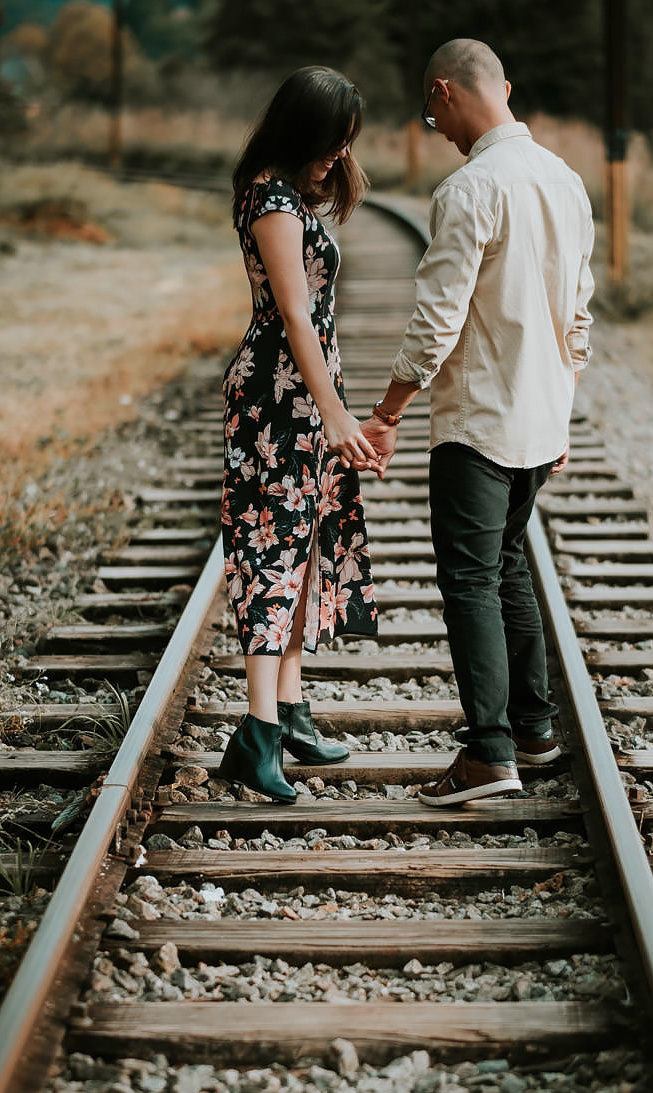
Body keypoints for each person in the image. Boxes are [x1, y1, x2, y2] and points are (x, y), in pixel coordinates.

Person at [361, 39, 595, 806]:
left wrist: (389, 411)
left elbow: (435, 321)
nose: (437, 127)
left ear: (446, 90)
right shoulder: (565, 180)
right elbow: (579, 315)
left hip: (479, 424)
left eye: (434, 113)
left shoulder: (470, 189)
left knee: (470, 578)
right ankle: (532, 729)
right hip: (536, 418)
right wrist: (559, 408)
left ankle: (490, 752)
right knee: (508, 567)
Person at [218, 66, 381, 803]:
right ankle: (257, 734)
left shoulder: (291, 196)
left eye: (345, 147)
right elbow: (292, 316)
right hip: (276, 404)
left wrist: (335, 408)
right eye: (331, 144)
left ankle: (287, 711)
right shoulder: (270, 200)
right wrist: (336, 413)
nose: (338, 158)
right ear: (301, 133)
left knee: (301, 553)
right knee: (270, 553)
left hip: (303, 399)